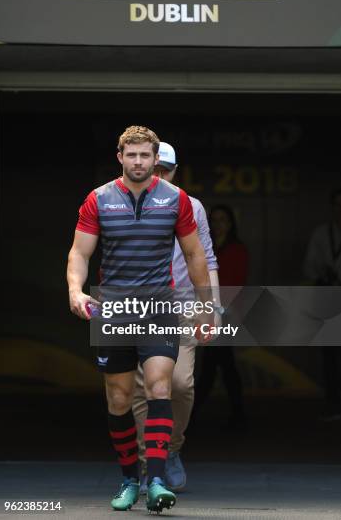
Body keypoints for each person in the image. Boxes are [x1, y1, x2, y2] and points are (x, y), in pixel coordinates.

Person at [67, 126, 212, 513]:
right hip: (114, 308)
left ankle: (158, 479)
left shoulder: (176, 199)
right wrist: (75, 290)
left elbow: (197, 256)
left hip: (159, 306)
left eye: (145, 156)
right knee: (118, 399)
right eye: (131, 155)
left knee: (161, 387)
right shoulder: (98, 199)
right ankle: (130, 478)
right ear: (120, 157)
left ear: (155, 159)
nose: (138, 162)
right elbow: (79, 254)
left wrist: (206, 305)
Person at [132, 142, 221, 494]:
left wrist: (209, 306)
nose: (159, 176)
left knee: (180, 384)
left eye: (166, 170)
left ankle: (171, 450)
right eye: (156, 169)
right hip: (137, 307)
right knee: (143, 389)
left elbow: (207, 258)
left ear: (173, 170)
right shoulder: (122, 201)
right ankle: (145, 462)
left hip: (182, 305)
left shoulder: (190, 205)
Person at [192, 204, 248, 428]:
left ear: (231, 223)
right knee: (221, 366)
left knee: (214, 367)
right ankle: (238, 414)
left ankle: (193, 413)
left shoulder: (237, 249)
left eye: (222, 219)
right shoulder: (205, 248)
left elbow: (236, 283)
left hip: (227, 314)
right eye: (214, 220)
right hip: (207, 312)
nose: (218, 224)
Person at [304, 188, 341, 421]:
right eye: (337, 205)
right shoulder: (322, 234)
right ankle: (334, 403)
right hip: (328, 297)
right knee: (331, 353)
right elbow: (308, 267)